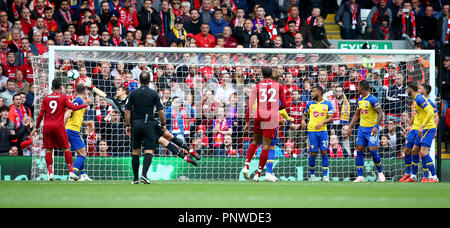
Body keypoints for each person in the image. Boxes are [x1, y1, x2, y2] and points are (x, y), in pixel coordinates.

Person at [30, 79, 87, 181]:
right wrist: (85, 105)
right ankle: (71, 172)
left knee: (48, 150)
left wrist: (37, 128)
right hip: (59, 126)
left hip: (47, 127)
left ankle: (50, 174)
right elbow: (72, 107)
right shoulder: (63, 97)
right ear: (61, 88)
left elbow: (40, 115)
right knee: (66, 149)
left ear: (51, 88)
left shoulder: (46, 99)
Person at [242, 66, 287, 182]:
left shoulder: (257, 86)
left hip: (258, 115)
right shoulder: (279, 86)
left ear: (262, 75)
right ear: (271, 75)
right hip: (270, 116)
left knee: (255, 142)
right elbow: (284, 105)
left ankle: (246, 165)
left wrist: (247, 122)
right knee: (266, 146)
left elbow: (250, 105)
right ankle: (258, 174)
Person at [125, 71, 166, 184]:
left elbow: (127, 111)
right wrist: (163, 124)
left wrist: (128, 125)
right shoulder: (154, 94)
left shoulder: (133, 93)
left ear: (139, 80)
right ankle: (144, 175)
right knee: (149, 149)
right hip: (148, 123)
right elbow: (161, 111)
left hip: (136, 123)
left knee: (135, 151)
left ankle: (135, 179)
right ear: (149, 81)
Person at [347, 80, 385, 182]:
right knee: (359, 150)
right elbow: (356, 115)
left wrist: (376, 126)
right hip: (361, 129)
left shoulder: (372, 99)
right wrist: (350, 127)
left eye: (358, 87)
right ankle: (360, 176)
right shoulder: (360, 100)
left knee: (373, 151)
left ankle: (380, 173)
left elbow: (381, 113)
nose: (357, 89)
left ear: (362, 88)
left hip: (372, 130)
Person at [400, 82, 439, 182]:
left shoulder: (419, 98)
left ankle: (433, 177)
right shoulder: (416, 99)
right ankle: (413, 176)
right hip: (420, 129)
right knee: (414, 150)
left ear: (410, 89)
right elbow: (417, 114)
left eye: (407, 88)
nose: (406, 90)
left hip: (428, 128)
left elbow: (431, 112)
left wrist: (422, 126)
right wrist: (410, 125)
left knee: (424, 152)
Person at [301, 86, 334, 181]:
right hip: (312, 131)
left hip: (323, 132)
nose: (311, 93)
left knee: (324, 151)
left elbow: (331, 117)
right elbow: (304, 114)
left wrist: (322, 123)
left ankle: (325, 176)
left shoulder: (328, 104)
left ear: (319, 93)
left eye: (313, 91)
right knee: (313, 153)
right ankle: (312, 175)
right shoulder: (310, 104)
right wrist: (303, 120)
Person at [64, 84, 94, 181]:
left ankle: (83, 175)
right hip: (73, 130)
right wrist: (62, 126)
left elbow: (74, 117)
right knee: (83, 154)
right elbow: (68, 113)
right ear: (85, 92)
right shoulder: (79, 100)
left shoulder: (77, 101)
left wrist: (85, 123)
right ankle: (73, 174)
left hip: (71, 129)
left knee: (79, 154)